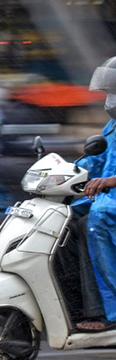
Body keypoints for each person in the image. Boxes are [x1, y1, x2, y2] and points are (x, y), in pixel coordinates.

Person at [64, 56, 116, 331]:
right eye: (109, 93)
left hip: (110, 204)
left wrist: (110, 181)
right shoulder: (113, 126)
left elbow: (106, 175)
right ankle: (79, 305)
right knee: (65, 222)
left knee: (95, 223)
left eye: (114, 93)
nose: (110, 99)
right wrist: (63, 172)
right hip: (105, 198)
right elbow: (94, 160)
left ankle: (110, 311)